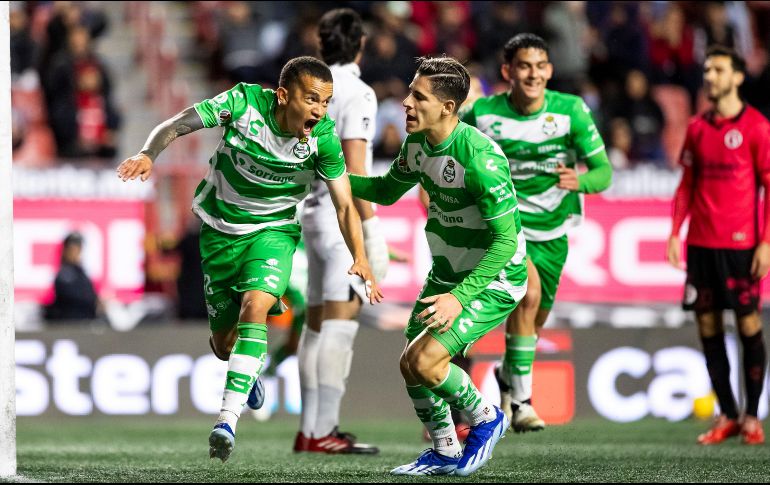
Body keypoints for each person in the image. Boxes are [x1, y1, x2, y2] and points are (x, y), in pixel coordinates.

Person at [117, 56, 383, 463]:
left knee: (255, 306)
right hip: (219, 233)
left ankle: (226, 421)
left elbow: (344, 204)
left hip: (272, 234)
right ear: (282, 95)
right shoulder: (241, 106)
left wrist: (360, 255)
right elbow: (175, 124)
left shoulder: (323, 138)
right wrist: (148, 153)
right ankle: (250, 368)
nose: (320, 111)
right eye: (312, 99)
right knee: (224, 345)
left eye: (326, 103)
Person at [349, 56, 528, 476]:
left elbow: (505, 242)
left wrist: (458, 298)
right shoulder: (416, 143)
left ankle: (487, 418)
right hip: (447, 271)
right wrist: (334, 175)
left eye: (418, 96)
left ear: (448, 107)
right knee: (410, 362)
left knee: (428, 362)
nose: (406, 103)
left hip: (493, 277)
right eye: (410, 92)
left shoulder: (480, 159)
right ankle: (445, 449)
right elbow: (386, 191)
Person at [461, 33, 612, 433]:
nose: (533, 74)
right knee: (527, 295)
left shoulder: (571, 111)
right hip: (506, 225)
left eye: (540, 66)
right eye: (524, 66)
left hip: (554, 227)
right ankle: (523, 403)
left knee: (536, 315)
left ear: (550, 70)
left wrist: (580, 181)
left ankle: (508, 376)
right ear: (508, 71)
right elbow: (451, 154)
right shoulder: (483, 114)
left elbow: (604, 172)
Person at [294, 8, 388, 455]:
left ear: (321, 45)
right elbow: (353, 170)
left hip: (307, 211)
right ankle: (323, 430)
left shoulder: (308, 84)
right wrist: (369, 233)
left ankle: (309, 429)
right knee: (340, 325)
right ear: (361, 45)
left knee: (315, 324)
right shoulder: (358, 92)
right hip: (337, 219)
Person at [667, 45, 770, 446]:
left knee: (748, 324)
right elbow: (686, 186)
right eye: (708, 69)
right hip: (701, 247)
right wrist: (675, 232)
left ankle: (751, 417)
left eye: (719, 70)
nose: (710, 76)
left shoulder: (758, 127)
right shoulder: (696, 127)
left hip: (742, 247)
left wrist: (765, 242)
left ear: (738, 77)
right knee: (707, 326)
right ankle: (727, 414)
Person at [45, 232, 100, 322]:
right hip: (70, 324)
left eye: (79, 249)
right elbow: (74, 298)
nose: (76, 253)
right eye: (73, 249)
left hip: (85, 323)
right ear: (65, 250)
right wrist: (94, 301)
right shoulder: (63, 274)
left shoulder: (82, 273)